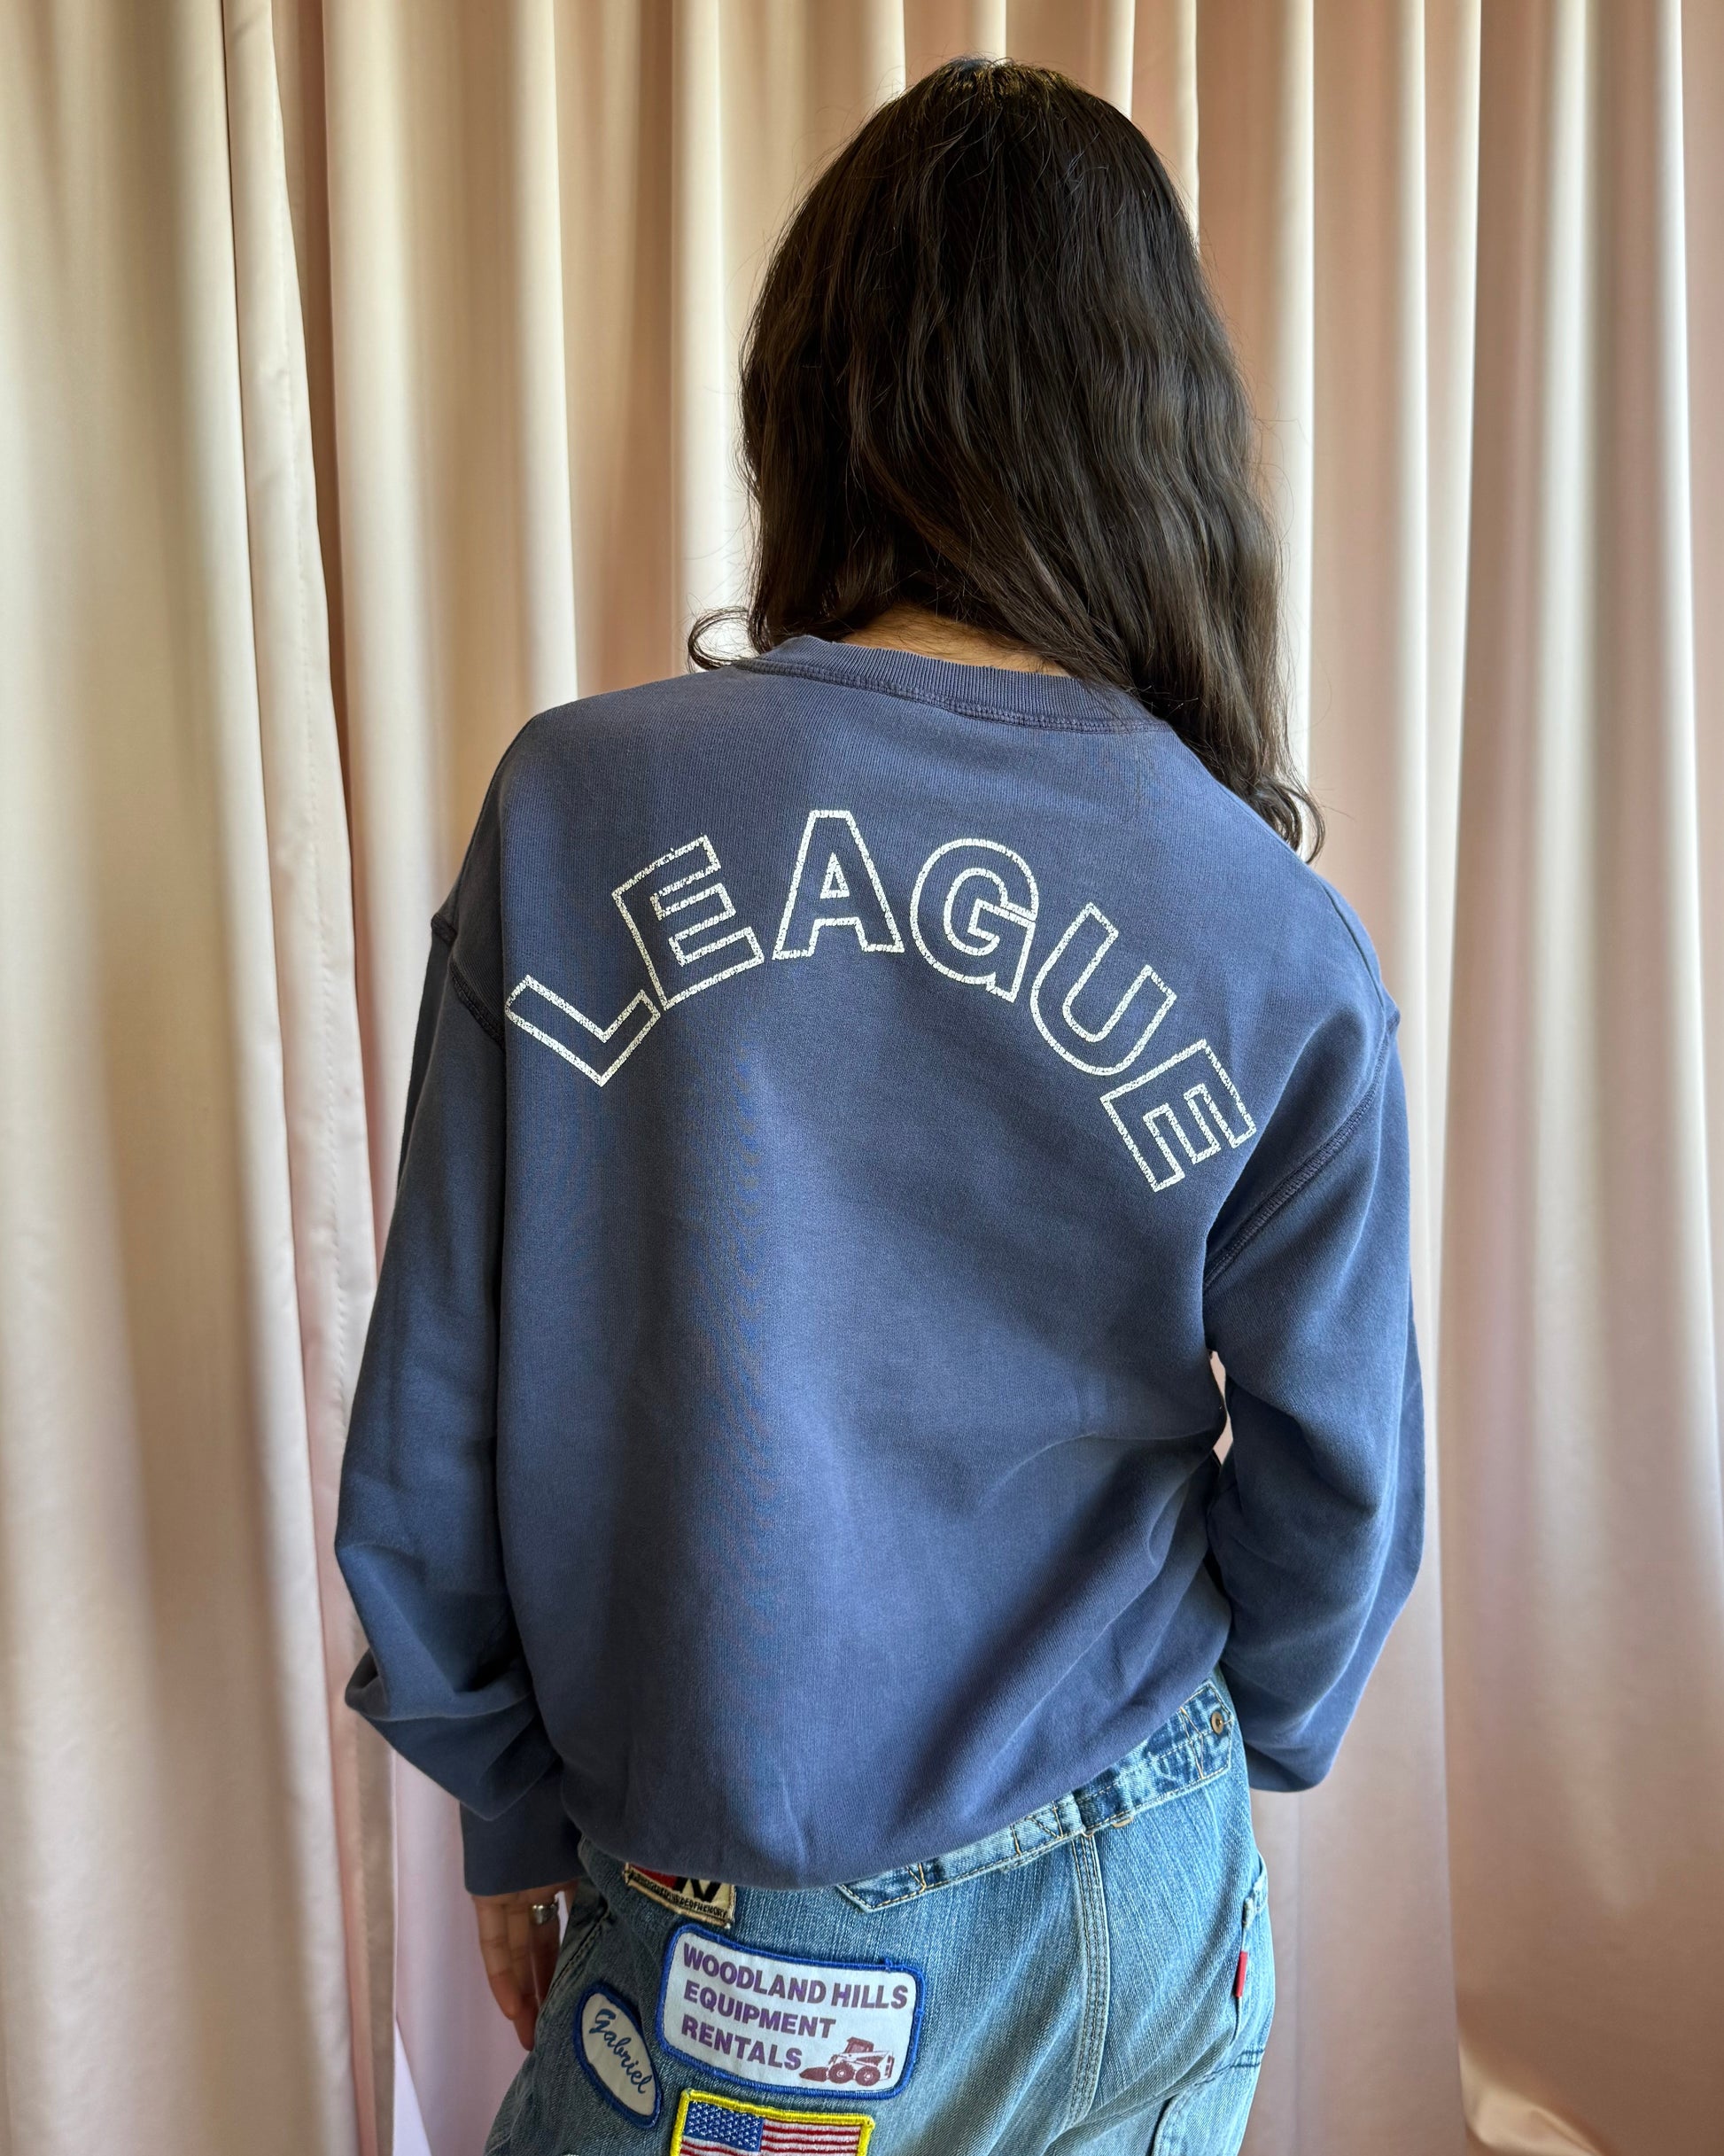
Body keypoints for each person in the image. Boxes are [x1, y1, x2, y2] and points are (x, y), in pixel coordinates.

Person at [335, 56, 1423, 2156]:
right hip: (1137, 1856)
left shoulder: (581, 814)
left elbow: (436, 1405)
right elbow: (1337, 1483)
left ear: (812, 402)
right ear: (1154, 440)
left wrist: (503, 1800)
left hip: (756, 1907)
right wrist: (1249, 1736)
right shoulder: (1268, 924)